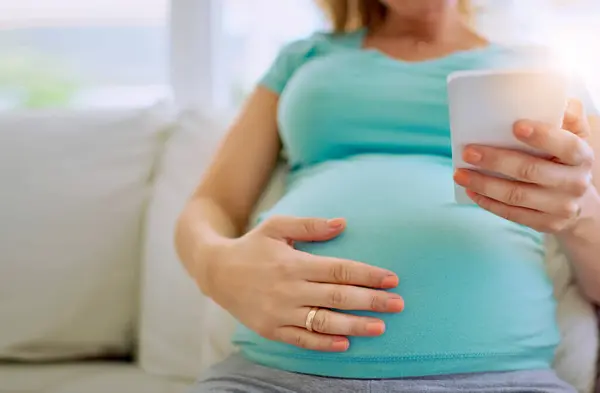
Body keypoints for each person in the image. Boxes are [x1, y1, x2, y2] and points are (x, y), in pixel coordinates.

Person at [176, 0, 600, 392]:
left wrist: (581, 216)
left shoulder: (545, 74)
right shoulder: (305, 59)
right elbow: (214, 203)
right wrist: (218, 268)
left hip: (505, 380)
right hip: (270, 376)